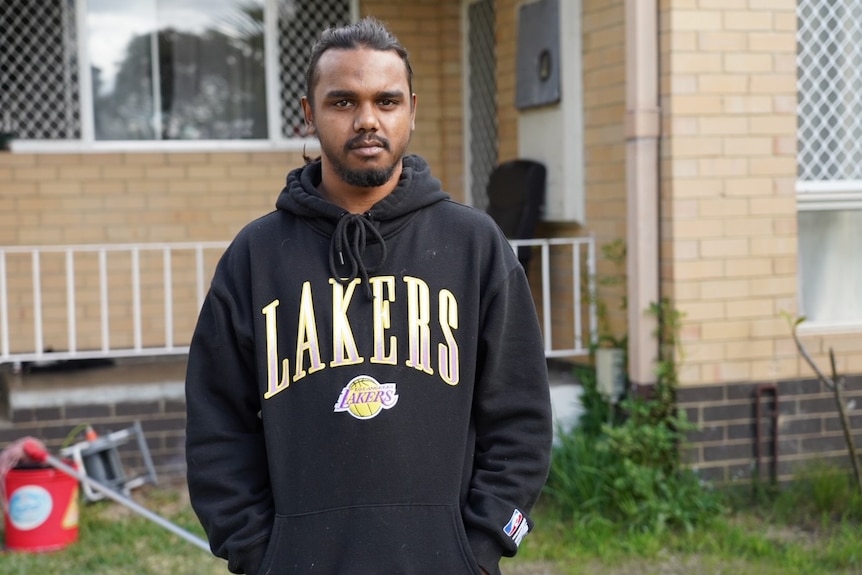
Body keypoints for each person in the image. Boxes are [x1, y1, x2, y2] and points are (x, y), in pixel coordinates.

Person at [185, 16, 552, 575]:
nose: (366, 121)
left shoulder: (475, 246)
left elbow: (521, 419)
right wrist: (256, 553)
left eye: (386, 100)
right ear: (308, 113)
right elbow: (217, 428)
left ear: (412, 109)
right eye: (342, 102)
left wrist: (481, 545)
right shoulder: (255, 257)